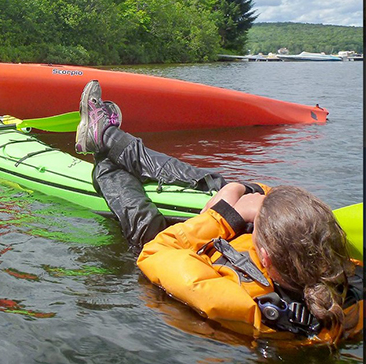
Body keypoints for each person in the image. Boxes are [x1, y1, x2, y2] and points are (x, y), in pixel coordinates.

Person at [74, 79, 363, 344]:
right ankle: (106, 137)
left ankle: (105, 142)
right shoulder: (350, 284)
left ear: (265, 258)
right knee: (215, 182)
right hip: (227, 239)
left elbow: (156, 252)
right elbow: (280, 201)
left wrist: (223, 216)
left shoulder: (243, 306)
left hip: (171, 242)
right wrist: (241, 188)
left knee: (110, 171)